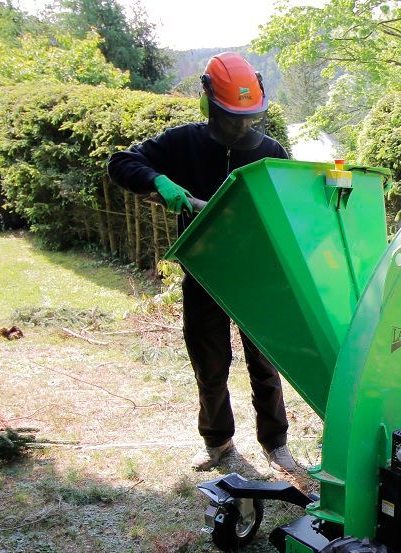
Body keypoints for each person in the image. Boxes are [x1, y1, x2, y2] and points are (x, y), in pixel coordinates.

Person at [108, 52, 301, 475]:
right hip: (205, 273)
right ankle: (218, 442)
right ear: (208, 106)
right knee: (209, 365)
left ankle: (276, 444)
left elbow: (290, 212)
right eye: (233, 117)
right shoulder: (183, 143)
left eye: (249, 117)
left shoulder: (271, 152)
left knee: (265, 367)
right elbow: (121, 161)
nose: (242, 126)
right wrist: (158, 180)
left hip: (258, 278)